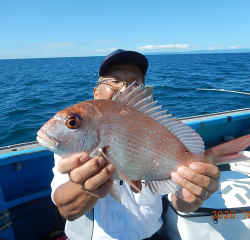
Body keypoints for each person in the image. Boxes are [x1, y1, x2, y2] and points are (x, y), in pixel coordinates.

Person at [51, 49, 221, 240]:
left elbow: (179, 201)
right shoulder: (80, 135)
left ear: (143, 92)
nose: (124, 88)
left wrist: (192, 198)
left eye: (134, 82)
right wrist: (83, 186)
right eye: (114, 80)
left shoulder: (156, 130)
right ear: (96, 92)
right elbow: (67, 210)